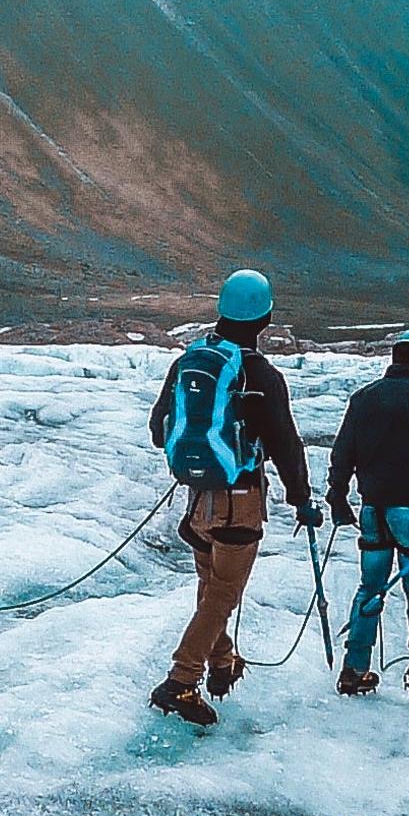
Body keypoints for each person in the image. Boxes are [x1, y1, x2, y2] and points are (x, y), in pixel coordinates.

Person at [143, 269, 317, 728]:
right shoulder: (261, 375)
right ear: (266, 318)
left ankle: (222, 662)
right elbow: (285, 444)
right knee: (222, 594)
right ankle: (181, 679)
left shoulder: (188, 363)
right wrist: (302, 500)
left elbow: (159, 430)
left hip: (198, 502)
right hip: (239, 501)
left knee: (211, 588)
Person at [326, 327, 409, 694]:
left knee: (370, 588)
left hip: (372, 511)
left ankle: (354, 668)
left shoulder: (363, 398)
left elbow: (342, 455)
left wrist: (338, 497)